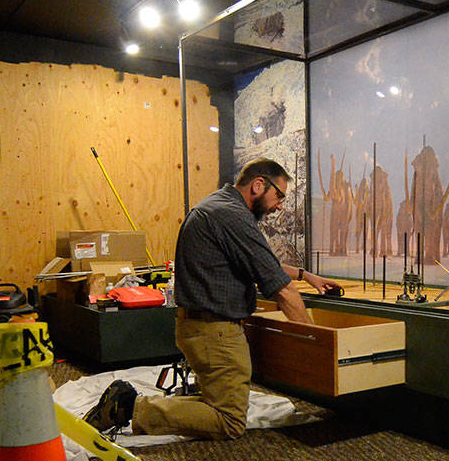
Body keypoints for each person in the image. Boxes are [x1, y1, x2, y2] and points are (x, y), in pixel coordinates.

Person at [84, 158, 339, 439]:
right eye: (279, 196)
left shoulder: (218, 206)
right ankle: (130, 408)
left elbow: (261, 262)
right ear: (258, 185)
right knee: (229, 420)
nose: (279, 206)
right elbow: (283, 291)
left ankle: (145, 403)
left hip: (199, 328)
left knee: (218, 401)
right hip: (215, 333)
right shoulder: (234, 217)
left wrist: (305, 275)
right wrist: (314, 343)